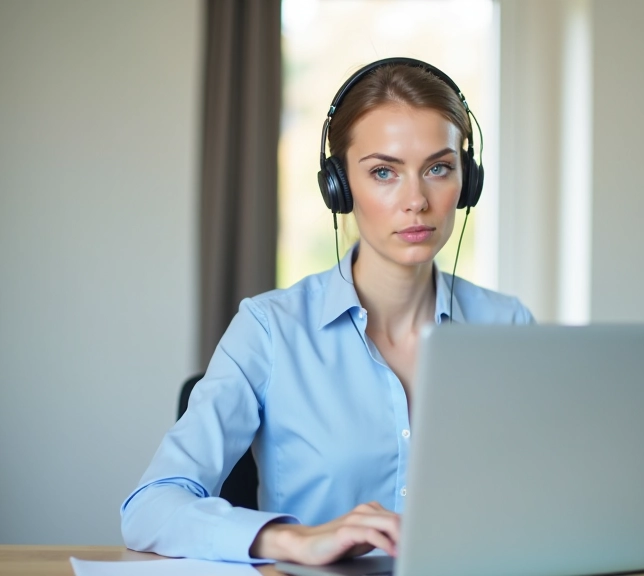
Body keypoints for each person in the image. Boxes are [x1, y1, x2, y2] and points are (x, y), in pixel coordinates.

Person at [120, 58, 534, 566]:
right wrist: (293, 540)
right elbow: (150, 507)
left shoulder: (509, 327)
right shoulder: (270, 329)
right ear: (338, 187)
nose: (417, 200)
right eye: (384, 172)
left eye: (438, 168)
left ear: (467, 182)